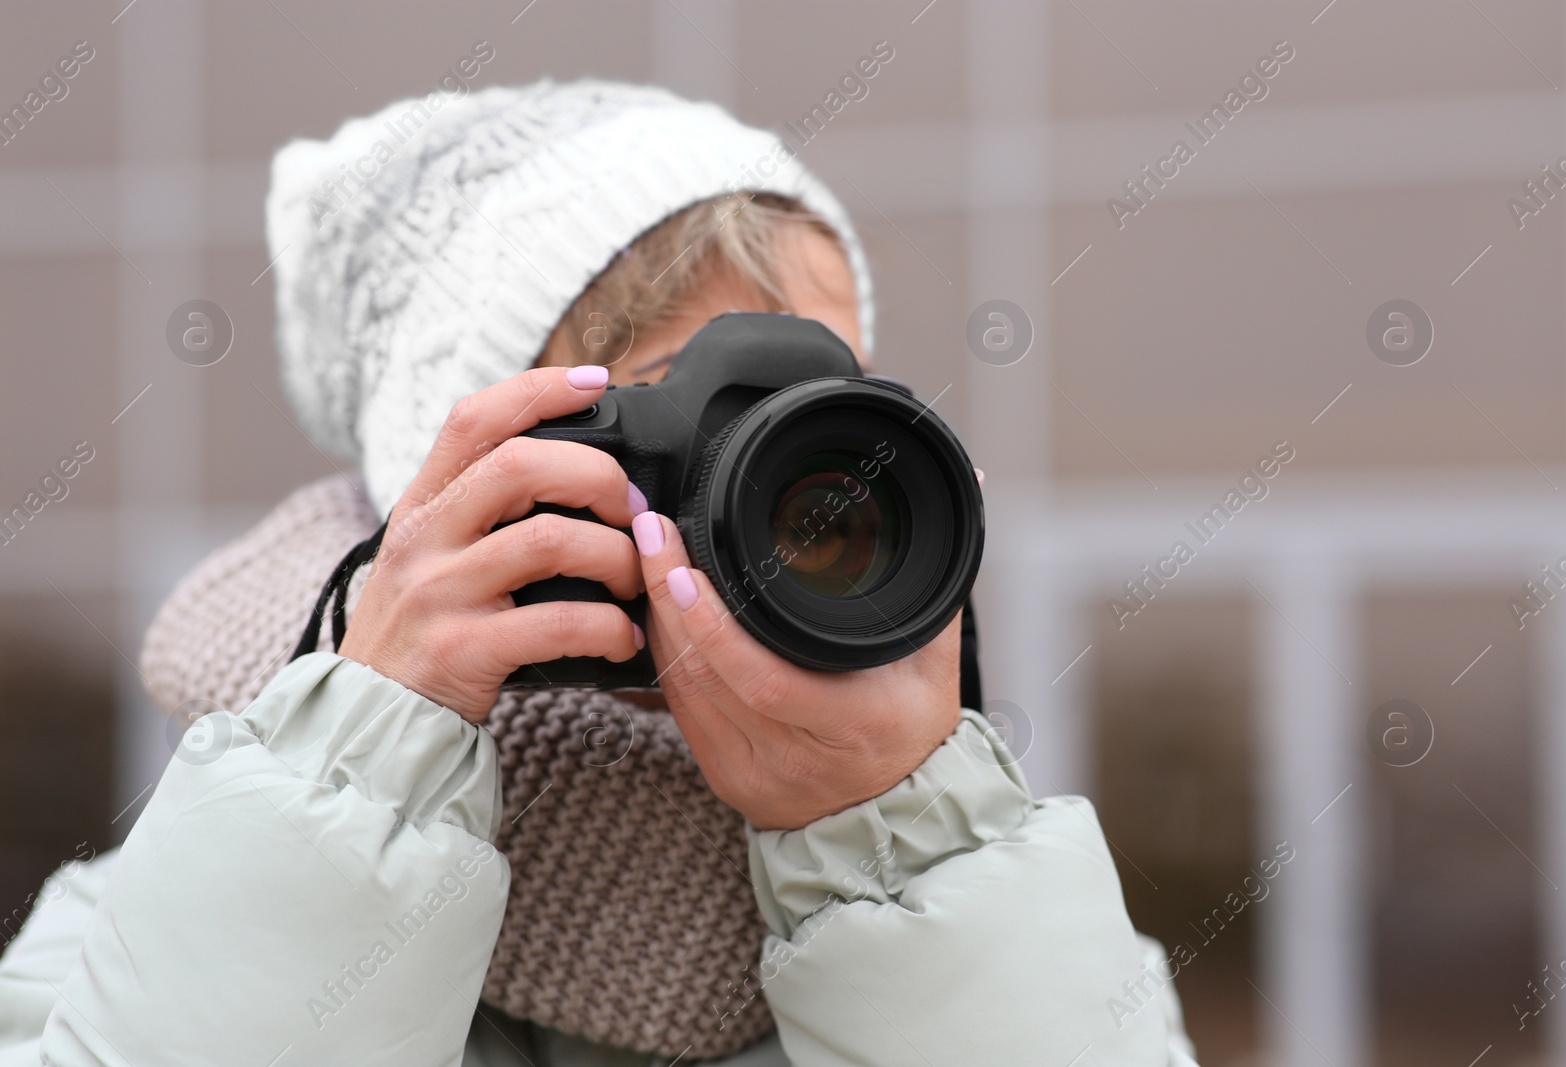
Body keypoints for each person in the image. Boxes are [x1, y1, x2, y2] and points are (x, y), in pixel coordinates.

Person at [0, 80, 1200, 1066]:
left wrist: (905, 846)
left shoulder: (1028, 915)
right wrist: (362, 767)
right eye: (689, 415)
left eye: (823, 409)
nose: (798, 490)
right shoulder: (132, 928)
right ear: (464, 477)